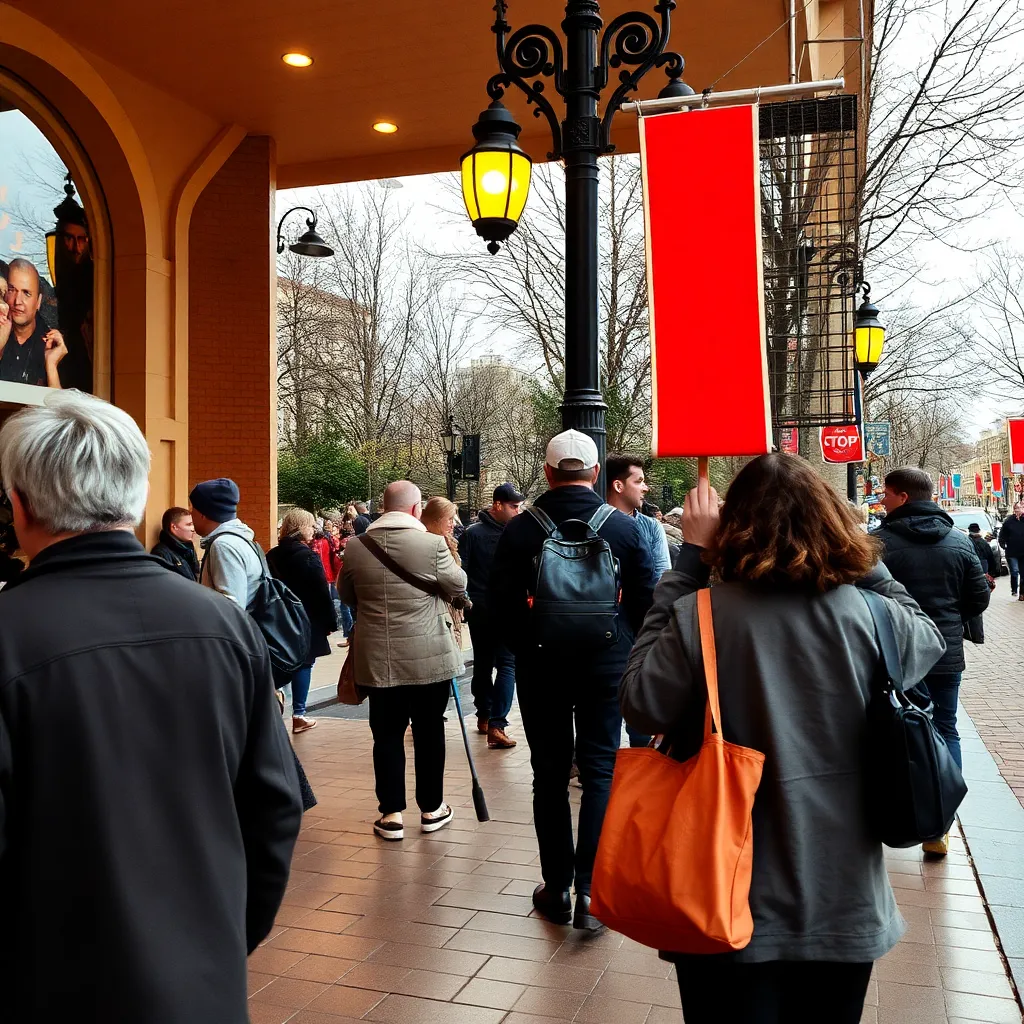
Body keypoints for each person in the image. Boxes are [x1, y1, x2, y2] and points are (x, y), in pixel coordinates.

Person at [0, 391, 302, 1021]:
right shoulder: (224, 626)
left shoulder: (10, 632)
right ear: (137, 498)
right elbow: (274, 808)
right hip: (202, 980)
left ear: (20, 505)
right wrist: (218, 935)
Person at [620, 454, 945, 1024]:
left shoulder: (702, 614)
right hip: (843, 900)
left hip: (721, 895)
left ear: (731, 525)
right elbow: (927, 635)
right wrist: (861, 558)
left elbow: (641, 701)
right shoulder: (874, 616)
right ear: (833, 521)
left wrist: (690, 562)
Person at [490, 429, 659, 930]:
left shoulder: (521, 529)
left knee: (549, 775)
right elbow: (647, 599)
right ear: (594, 474)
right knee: (601, 771)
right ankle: (592, 890)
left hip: (542, 667)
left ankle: (557, 886)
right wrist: (620, 644)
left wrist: (529, 646)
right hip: (606, 665)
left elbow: (499, 604)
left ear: (546, 473)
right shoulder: (624, 528)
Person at [340, 480, 467, 841]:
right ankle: (432, 808)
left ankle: (392, 813)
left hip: (379, 659)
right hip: (430, 658)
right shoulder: (431, 544)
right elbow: (458, 585)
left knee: (386, 736)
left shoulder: (356, 546)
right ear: (415, 510)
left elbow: (346, 595)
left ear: (383, 506)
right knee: (429, 733)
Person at [875, 467, 990, 854]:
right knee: (945, 727)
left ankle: (893, 812)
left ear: (903, 497)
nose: (882, 499)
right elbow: (978, 599)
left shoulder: (878, 544)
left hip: (895, 655)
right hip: (945, 654)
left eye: (886, 493)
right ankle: (939, 823)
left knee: (893, 729)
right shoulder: (959, 542)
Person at [458, 482, 524, 749]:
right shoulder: (478, 534)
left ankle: (485, 716)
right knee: (505, 664)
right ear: (498, 504)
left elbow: (461, 571)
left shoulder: (474, 533)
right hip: (495, 608)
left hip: (484, 608)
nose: (517, 511)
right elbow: (461, 572)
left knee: (485, 663)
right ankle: (495, 722)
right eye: (513, 506)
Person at [267, 508, 339, 734]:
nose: (314, 530)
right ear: (301, 528)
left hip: (278, 618)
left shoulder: (272, 555)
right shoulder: (307, 556)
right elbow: (320, 592)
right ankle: (299, 713)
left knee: (281, 661)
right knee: (304, 664)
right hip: (306, 618)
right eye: (310, 525)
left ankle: (276, 707)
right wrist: (330, 622)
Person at [190, 477, 263, 607]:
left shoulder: (224, 546)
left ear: (203, 514)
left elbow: (231, 609)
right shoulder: (239, 539)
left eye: (193, 508)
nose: (191, 514)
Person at [0, 258, 67, 388]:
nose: (17, 301)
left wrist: (51, 365)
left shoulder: (52, 344)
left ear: (38, 301)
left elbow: (60, 407)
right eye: (11, 290)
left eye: (26, 293)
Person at [606, 454, 671, 577]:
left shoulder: (652, 527)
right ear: (618, 486)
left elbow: (662, 579)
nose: (646, 488)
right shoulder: (596, 523)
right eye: (639, 481)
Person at [150, 506, 200, 580]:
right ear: (174, 527)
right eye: (189, 524)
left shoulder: (188, 549)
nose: (193, 529)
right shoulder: (161, 553)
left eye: (193, 524)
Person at [998, 501, 1024, 600]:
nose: (1018, 510)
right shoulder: (1009, 521)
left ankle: (1022, 594)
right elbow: (1002, 535)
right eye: (1016, 508)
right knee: (1014, 571)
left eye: (1020, 508)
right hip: (1012, 552)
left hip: (1023, 552)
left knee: (1023, 574)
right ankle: (1014, 589)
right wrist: (1003, 544)